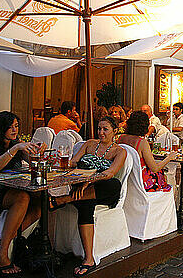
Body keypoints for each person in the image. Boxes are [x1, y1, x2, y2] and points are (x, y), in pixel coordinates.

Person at [49, 116, 126, 277]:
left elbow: (109, 173)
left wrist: (89, 181)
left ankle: (63, 200)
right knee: (86, 204)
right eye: (99, 129)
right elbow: (74, 162)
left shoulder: (120, 151)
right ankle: (89, 259)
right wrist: (58, 161)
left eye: (105, 129)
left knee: (113, 184)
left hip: (103, 189)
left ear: (115, 131)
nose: (101, 132)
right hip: (82, 189)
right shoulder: (89, 144)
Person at [0, 111, 42, 275]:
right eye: (10, 127)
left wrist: (37, 152)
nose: (14, 130)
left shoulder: (16, 143)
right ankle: (2, 254)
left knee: (41, 201)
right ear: (0, 128)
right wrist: (15, 148)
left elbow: (36, 163)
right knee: (22, 198)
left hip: (10, 187)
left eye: (17, 126)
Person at [118, 111, 175, 192]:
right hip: (141, 182)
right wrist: (169, 158)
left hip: (125, 179)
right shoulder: (142, 142)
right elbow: (154, 168)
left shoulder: (121, 138)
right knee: (163, 176)